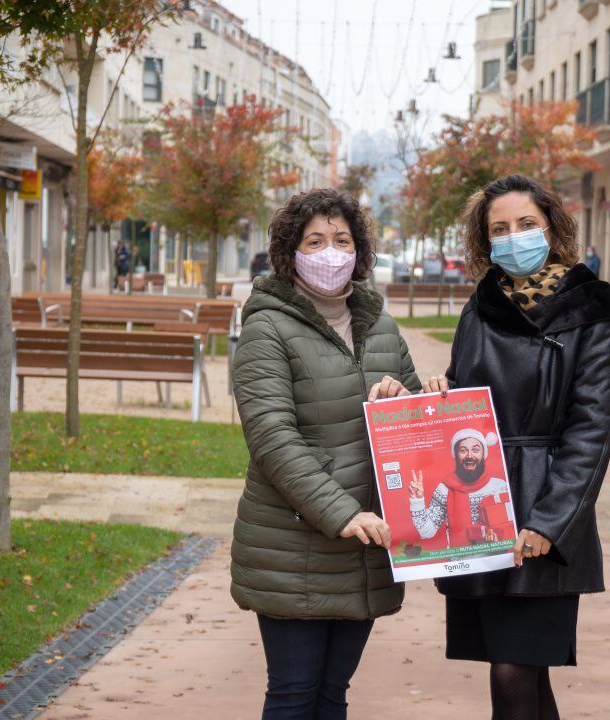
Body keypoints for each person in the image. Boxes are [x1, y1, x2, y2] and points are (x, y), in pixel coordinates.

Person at [422, 174, 610, 720]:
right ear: (485, 242)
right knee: (518, 672)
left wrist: (549, 523)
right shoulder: (479, 306)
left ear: (552, 228)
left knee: (515, 671)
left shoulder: (589, 308)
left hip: (541, 511)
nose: (514, 237)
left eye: (526, 224)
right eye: (500, 229)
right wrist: (443, 391)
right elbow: (469, 396)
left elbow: (592, 428)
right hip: (480, 507)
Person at [230, 188, 423, 719]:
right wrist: (341, 514)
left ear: (359, 252)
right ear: (290, 253)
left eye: (341, 240)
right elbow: (272, 436)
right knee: (293, 695)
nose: (330, 252)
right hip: (295, 545)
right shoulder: (267, 327)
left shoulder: (381, 325)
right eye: (314, 241)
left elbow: (413, 425)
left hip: (366, 545)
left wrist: (408, 400)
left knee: (332, 695)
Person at [408, 428, 515, 547]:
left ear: (483, 454)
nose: (469, 456)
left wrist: (499, 537)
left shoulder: (499, 486)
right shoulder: (444, 489)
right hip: (460, 562)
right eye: (463, 451)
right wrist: (417, 500)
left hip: (498, 560)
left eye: (475, 450)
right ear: (456, 455)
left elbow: (511, 528)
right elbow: (427, 532)